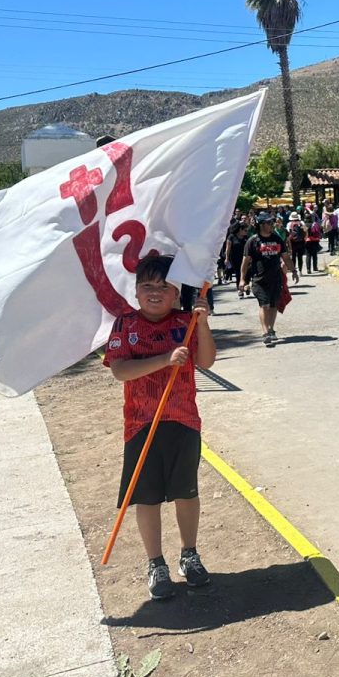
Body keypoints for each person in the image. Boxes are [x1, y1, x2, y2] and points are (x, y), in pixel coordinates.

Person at [104, 255, 216, 600]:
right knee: (147, 497)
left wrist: (203, 322)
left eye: (164, 286)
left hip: (182, 419)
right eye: (147, 286)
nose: (155, 292)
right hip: (141, 423)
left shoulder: (187, 322)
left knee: (186, 492)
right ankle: (156, 563)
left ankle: (190, 554)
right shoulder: (125, 325)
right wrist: (164, 360)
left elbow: (207, 360)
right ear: (136, 292)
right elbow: (121, 370)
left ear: (176, 291)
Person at [239, 212, 299, 347]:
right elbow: (245, 262)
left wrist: (293, 271)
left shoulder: (277, 239)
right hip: (259, 279)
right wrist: (242, 280)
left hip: (276, 277)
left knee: (273, 305)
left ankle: (271, 329)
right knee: (264, 304)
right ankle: (265, 332)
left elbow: (285, 257)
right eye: (268, 223)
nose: (271, 225)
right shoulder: (253, 241)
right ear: (261, 225)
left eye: (271, 223)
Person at [222, 222, 249, 294]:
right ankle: (240, 290)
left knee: (246, 273)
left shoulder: (246, 237)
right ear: (240, 229)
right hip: (234, 258)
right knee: (238, 274)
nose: (246, 232)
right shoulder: (231, 237)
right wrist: (227, 258)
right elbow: (228, 249)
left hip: (245, 258)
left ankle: (246, 286)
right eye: (245, 230)